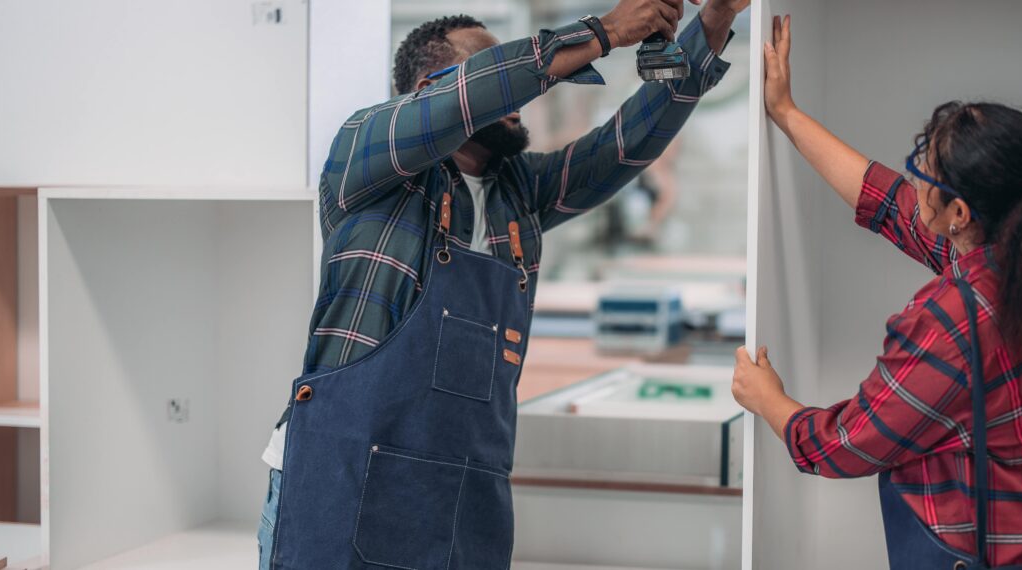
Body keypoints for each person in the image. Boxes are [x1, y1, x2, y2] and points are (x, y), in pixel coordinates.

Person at [256, 0, 749, 567]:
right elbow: (483, 90)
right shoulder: (368, 158)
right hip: (338, 483)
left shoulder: (519, 192)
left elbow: (622, 145)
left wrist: (712, 24)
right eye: (496, 68)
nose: (520, 93)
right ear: (430, 86)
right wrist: (606, 32)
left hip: (462, 499)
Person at [732, 15, 1022, 570]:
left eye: (923, 172)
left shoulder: (952, 322)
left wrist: (768, 399)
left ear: (960, 213)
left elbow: (844, 445)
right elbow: (889, 203)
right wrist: (786, 113)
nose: (914, 178)